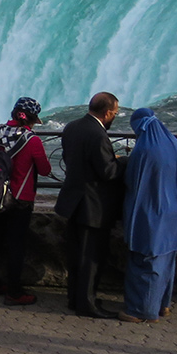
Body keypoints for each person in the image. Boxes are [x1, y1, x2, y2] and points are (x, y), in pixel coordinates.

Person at [119, 108, 177, 323]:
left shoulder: (143, 149)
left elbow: (132, 182)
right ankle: (163, 305)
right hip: (174, 210)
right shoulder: (174, 144)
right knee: (167, 258)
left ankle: (141, 311)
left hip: (149, 211)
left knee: (145, 259)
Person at [56, 92, 123, 319]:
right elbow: (108, 172)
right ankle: (87, 304)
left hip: (72, 200)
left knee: (76, 254)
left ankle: (75, 298)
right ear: (107, 113)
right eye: (115, 113)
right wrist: (123, 161)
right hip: (92, 205)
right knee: (91, 257)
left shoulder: (71, 127)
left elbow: (69, 159)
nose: (115, 116)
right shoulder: (98, 135)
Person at [0, 97, 51, 306]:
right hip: (21, 198)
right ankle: (14, 291)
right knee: (16, 245)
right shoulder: (32, 141)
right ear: (31, 120)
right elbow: (45, 170)